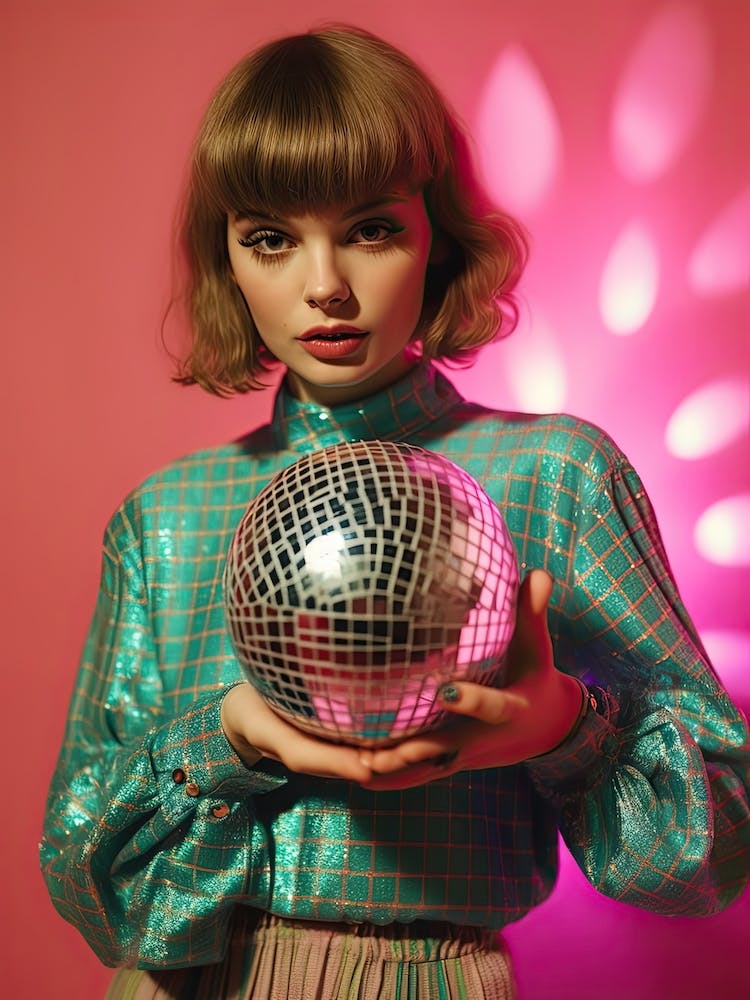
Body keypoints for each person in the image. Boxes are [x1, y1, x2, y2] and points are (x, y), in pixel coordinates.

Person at [40, 25, 750, 1000]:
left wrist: (563, 727)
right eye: (272, 239)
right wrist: (233, 733)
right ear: (228, 261)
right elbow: (82, 874)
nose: (324, 285)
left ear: (437, 236)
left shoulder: (553, 476)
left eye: (371, 227)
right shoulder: (168, 515)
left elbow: (714, 844)